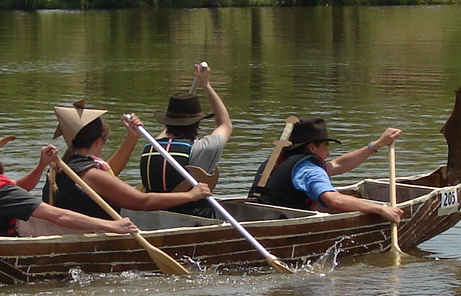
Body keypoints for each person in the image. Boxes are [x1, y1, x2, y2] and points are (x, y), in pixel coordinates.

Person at [0, 109, 138, 238]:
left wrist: (41, 166)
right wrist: (112, 226)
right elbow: (59, 215)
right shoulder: (2, 194)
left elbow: (19, 187)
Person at [47, 104, 213, 219]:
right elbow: (143, 202)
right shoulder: (90, 175)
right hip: (93, 236)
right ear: (98, 142)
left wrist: (132, 136)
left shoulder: (63, 166)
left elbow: (109, 173)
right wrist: (191, 195)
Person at [248, 117, 404, 223]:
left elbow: (338, 165)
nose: (328, 153)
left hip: (257, 216)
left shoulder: (278, 163)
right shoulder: (309, 170)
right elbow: (334, 200)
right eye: (326, 146)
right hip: (282, 224)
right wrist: (381, 209)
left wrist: (377, 145)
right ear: (312, 147)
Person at [134, 61, 233, 219]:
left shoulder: (150, 146)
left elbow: (166, 132)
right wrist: (206, 85)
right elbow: (225, 124)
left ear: (167, 121)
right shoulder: (202, 148)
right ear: (198, 122)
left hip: (153, 216)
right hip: (193, 217)